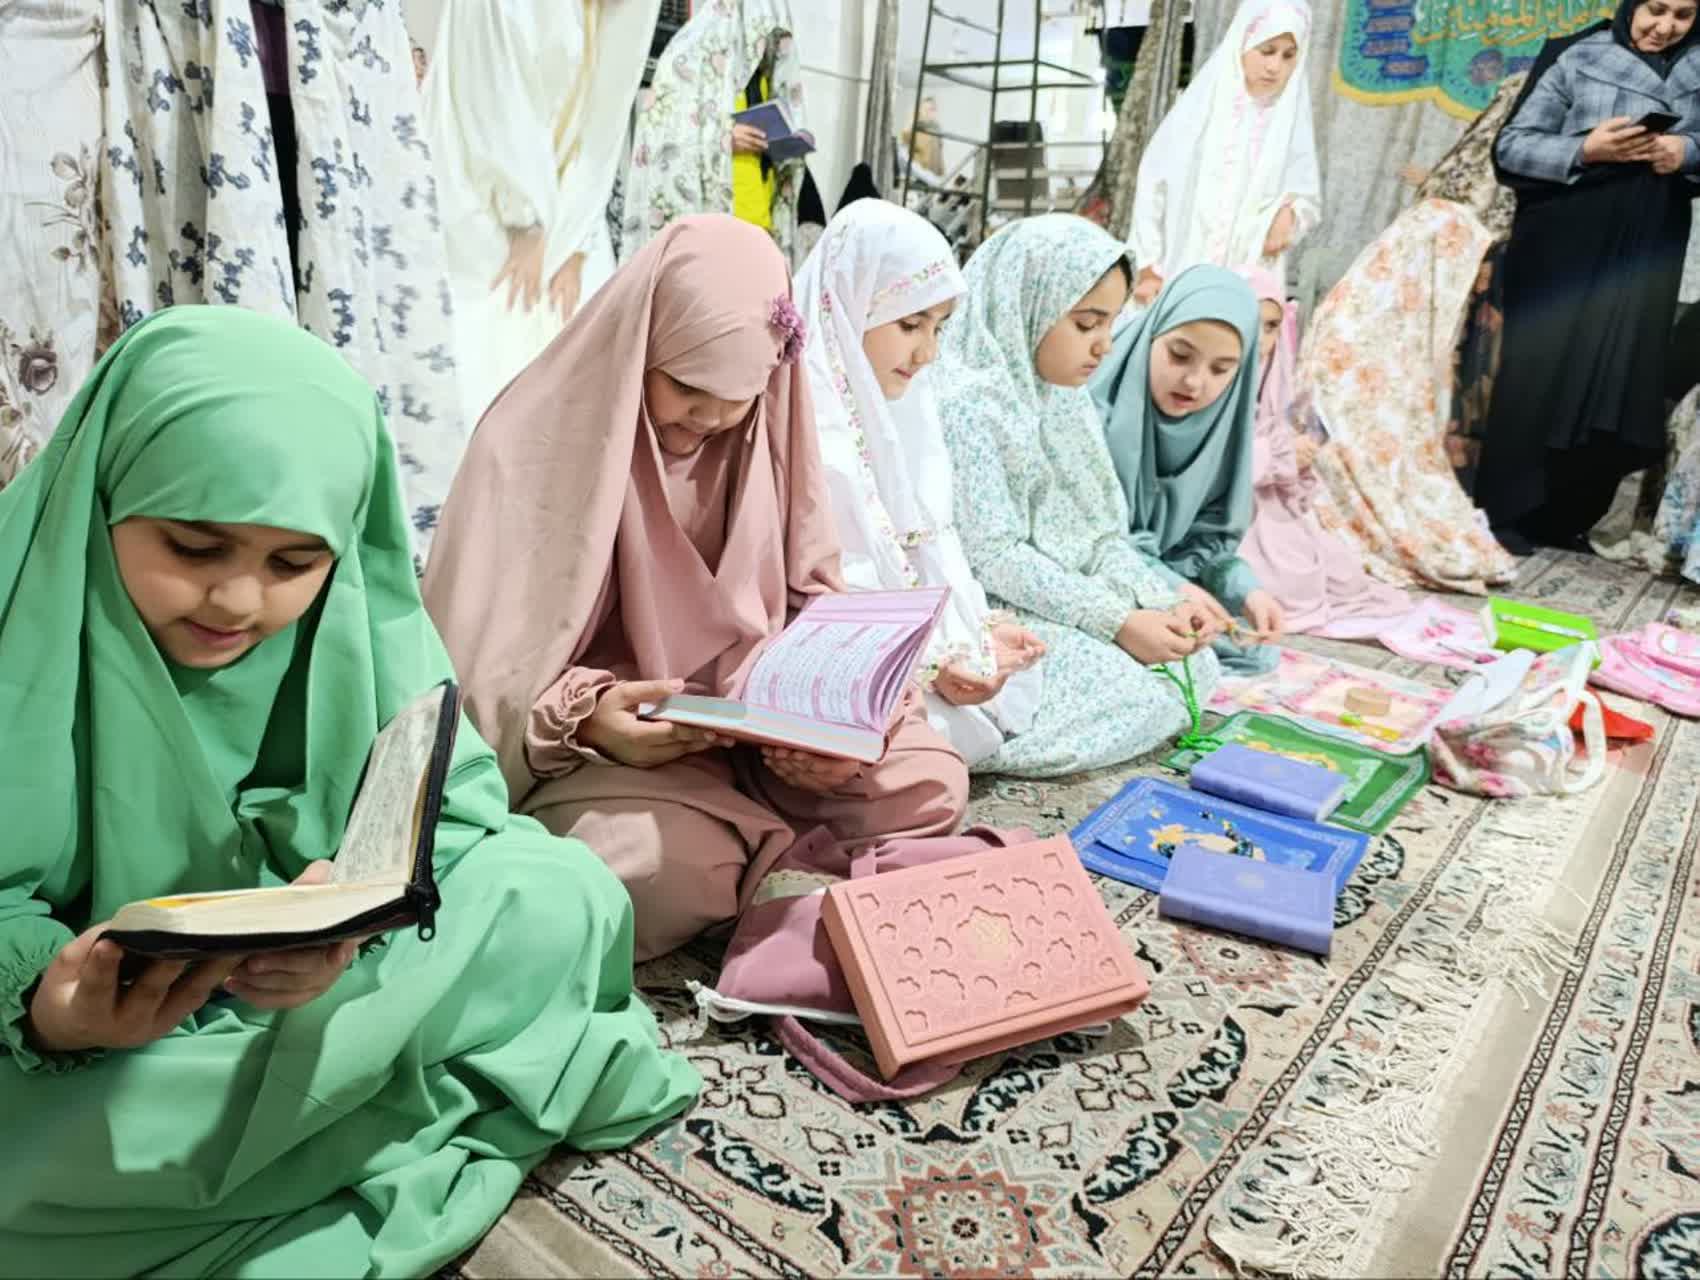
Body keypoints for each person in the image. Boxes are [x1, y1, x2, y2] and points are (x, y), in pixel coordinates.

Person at [0, 307, 698, 1275]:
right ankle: (364, 1098)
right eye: (193, 548)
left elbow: (454, 810)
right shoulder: (22, 620)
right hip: (98, 1038)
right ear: (101, 494)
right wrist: (48, 1005)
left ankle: (304, 1109)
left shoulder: (352, 615)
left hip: (321, 993)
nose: (239, 602)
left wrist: (348, 922)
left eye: (294, 562)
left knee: (558, 892)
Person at [422, 215, 968, 961]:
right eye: (685, 386)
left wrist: (835, 733)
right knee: (652, 871)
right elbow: (487, 671)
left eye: (736, 396)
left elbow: (814, 596)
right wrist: (585, 720)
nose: (708, 418)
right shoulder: (526, 447)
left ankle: (764, 865)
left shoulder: (763, 429)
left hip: (765, 747)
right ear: (637, 344)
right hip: (620, 762)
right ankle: (782, 875)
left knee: (930, 780)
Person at [95, 0, 470, 560]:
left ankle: (320, 555)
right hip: (193, 61)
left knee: (337, 342)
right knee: (221, 361)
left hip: (338, 69)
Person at [936, 214, 1220, 779]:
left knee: (1196, 664)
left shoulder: (1062, 397)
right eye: (1087, 323)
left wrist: (1160, 600)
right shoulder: (969, 403)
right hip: (994, 604)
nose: (1104, 345)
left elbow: (1097, 535)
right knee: (1129, 689)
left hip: (1063, 591)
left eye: (1110, 323)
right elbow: (993, 558)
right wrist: (1117, 620)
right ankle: (955, 746)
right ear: (1028, 304)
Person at [796, 199, 1046, 768]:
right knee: (917, 752)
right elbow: (829, 590)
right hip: (834, 655)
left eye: (938, 327)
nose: (928, 352)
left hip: (905, 654)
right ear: (850, 302)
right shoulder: (803, 417)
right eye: (910, 324)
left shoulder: (906, 409)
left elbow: (931, 544)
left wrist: (975, 632)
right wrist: (929, 664)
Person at [1476, 0, 1700, 554]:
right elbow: (1511, 147)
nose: (1665, 27)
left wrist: (1688, 150)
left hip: (1648, 246)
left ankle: (1567, 516)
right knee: (1540, 371)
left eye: (1683, 15)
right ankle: (1504, 511)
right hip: (1565, 239)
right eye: (1655, 9)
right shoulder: (1577, 54)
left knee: (1619, 376)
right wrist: (1585, 148)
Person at [422, 0, 660, 427]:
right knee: (482, 349)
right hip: (482, 198)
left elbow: (598, 127)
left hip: (559, 216)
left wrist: (577, 238)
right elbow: (493, 90)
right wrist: (525, 221)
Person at [1290, 201, 1519, 593]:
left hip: (1382, 445)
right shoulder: (1357, 313)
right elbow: (1340, 404)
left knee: (1440, 509)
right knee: (1418, 511)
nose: (1479, 286)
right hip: (1332, 445)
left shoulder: (1406, 311)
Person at [1092, 264, 1284, 675]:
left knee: (1253, 651)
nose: (1194, 383)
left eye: (1221, 369)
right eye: (1179, 355)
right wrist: (1174, 588)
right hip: (1094, 582)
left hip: (1157, 585)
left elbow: (1205, 540)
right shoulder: (1094, 413)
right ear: (1151, 334)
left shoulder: (1220, 431)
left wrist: (1246, 591)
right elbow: (1093, 541)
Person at [1235, 268, 1414, 636]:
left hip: (1274, 508)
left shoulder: (1275, 374)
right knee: (1288, 588)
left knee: (1346, 576)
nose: (1262, 338)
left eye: (1271, 326)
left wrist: (1300, 455)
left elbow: (1299, 428)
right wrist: (1279, 456)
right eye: (1252, 323)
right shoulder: (1212, 375)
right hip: (1232, 515)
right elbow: (1215, 464)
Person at [1129, 0, 1320, 305]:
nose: (1275, 66)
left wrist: (1290, 214)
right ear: (1242, 44)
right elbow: (1153, 185)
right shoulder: (1198, 112)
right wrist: (1147, 264)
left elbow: (1306, 197)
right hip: (1185, 262)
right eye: (1266, 50)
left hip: (1252, 276)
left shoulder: (1290, 122)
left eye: (1288, 56)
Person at [621, 0, 814, 268]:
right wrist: (723, 137)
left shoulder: (765, 79)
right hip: (714, 226)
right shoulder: (691, 57)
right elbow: (663, 133)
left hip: (759, 224)